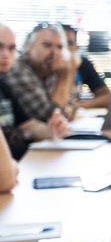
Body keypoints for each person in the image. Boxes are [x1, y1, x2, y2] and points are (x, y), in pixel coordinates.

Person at [0, 24, 70, 160]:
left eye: (11, 48)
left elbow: (26, 125)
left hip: (24, 159)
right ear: (28, 47)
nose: (5, 54)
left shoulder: (3, 85)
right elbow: (45, 113)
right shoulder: (17, 73)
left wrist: (52, 129)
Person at [3, 22, 78, 121]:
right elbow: (48, 118)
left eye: (59, 47)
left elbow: (72, 104)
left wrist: (69, 108)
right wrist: (63, 79)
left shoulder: (51, 69)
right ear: (28, 46)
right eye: (47, 45)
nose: (54, 52)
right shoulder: (16, 70)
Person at [63, 25, 111, 109]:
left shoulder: (82, 64)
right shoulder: (44, 67)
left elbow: (108, 97)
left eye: (70, 43)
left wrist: (78, 105)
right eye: (60, 44)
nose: (64, 49)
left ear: (77, 47)